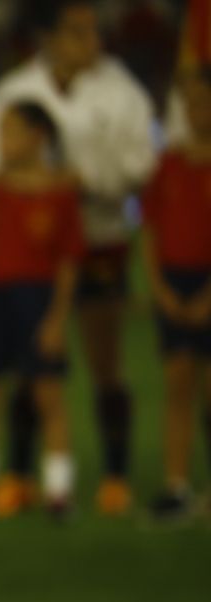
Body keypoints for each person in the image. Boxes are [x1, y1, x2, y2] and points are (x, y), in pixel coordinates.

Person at [0, 0, 157, 517]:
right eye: (77, 33)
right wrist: (39, 186)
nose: (91, 43)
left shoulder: (122, 94)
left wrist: (88, 183)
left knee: (106, 363)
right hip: (29, 252)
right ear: (49, 37)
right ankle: (19, 473)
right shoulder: (14, 92)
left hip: (98, 239)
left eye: (93, 32)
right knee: (30, 367)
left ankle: (115, 475)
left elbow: (140, 164)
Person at [0, 103, 82, 517]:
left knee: (48, 395)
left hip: (37, 298)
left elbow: (67, 262)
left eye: (11, 132)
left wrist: (58, 318)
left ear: (38, 137)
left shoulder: (59, 194)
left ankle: (59, 493)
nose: (2, 142)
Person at [141, 66, 211, 521]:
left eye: (202, 101)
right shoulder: (168, 164)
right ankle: (176, 484)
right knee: (177, 385)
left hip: (207, 283)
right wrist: (159, 287)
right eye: (188, 102)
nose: (193, 111)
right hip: (174, 281)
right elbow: (150, 229)